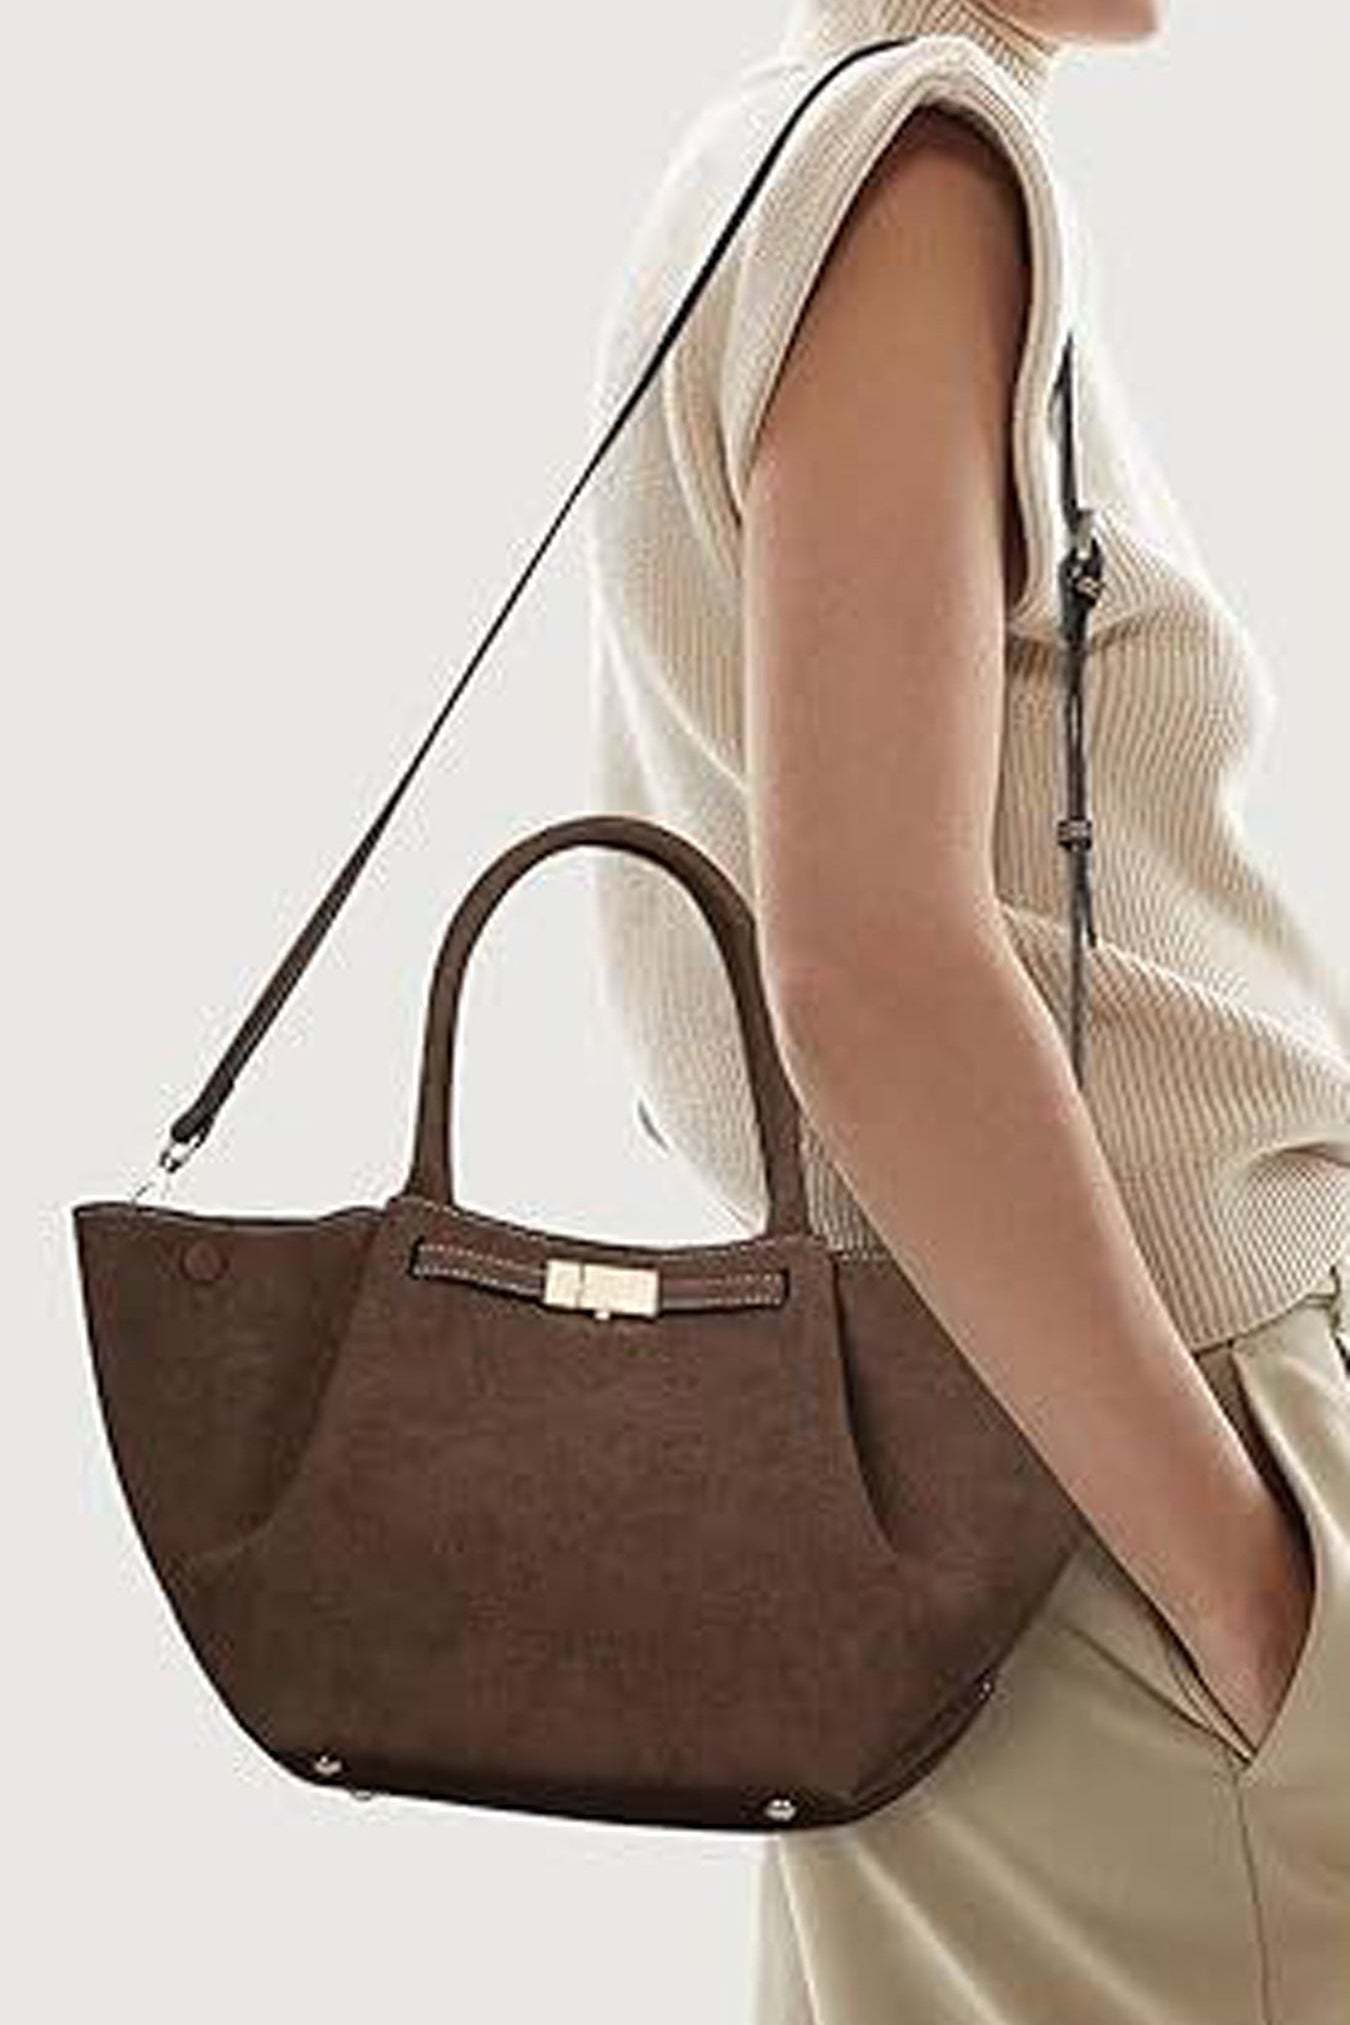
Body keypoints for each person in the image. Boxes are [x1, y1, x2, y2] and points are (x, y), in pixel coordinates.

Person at [581, 1, 1350, 2016]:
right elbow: (870, 966)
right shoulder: (911, 173)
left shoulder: (766, 155)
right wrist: (1244, 1596)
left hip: (948, 1472)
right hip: (1124, 1462)